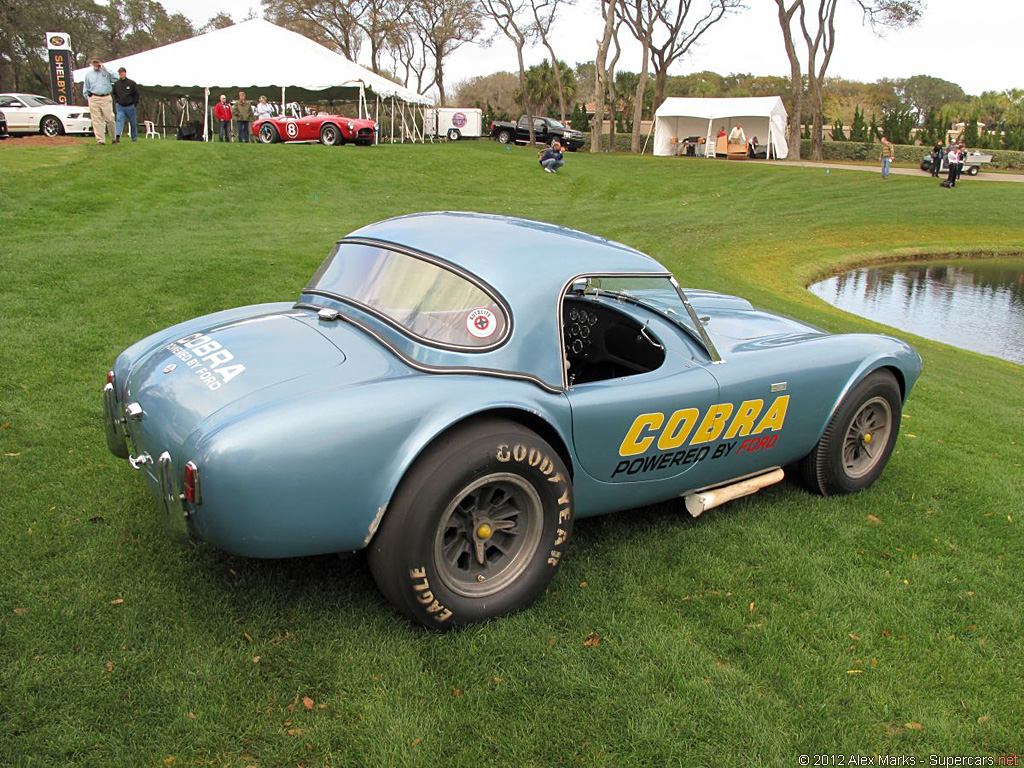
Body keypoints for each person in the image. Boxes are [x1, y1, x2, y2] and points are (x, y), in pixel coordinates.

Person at [82, 56, 117, 145]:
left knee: (110, 119)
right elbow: (86, 87)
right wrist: (88, 97)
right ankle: (100, 140)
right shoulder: (89, 74)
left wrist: (106, 70)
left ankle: (113, 138)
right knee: (97, 120)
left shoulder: (106, 73)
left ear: (101, 63)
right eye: (94, 62)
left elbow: (116, 78)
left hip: (105, 98)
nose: (96, 64)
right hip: (94, 98)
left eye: (97, 62)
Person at [112, 66, 140, 142]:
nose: (121, 74)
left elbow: (136, 94)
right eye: (120, 73)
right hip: (120, 106)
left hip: (130, 106)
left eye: (122, 72)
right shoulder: (116, 84)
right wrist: (117, 102)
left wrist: (134, 104)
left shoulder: (131, 83)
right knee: (119, 120)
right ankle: (117, 136)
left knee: (133, 122)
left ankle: (134, 137)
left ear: (125, 73)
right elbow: (114, 94)